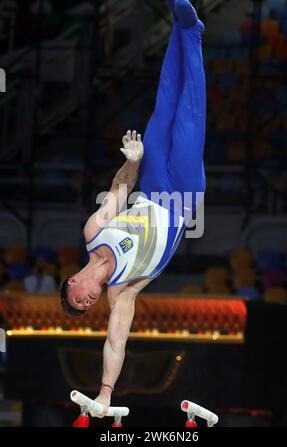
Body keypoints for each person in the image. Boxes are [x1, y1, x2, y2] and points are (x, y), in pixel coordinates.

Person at [60, 0, 206, 417]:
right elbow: (115, 341)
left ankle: (180, 25)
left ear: (73, 280)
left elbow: (118, 190)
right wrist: (105, 394)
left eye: (79, 299)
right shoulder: (121, 293)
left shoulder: (93, 231)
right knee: (189, 116)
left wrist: (133, 161)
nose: (87, 303)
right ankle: (192, 34)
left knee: (163, 107)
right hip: (181, 199)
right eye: (86, 307)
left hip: (153, 181)